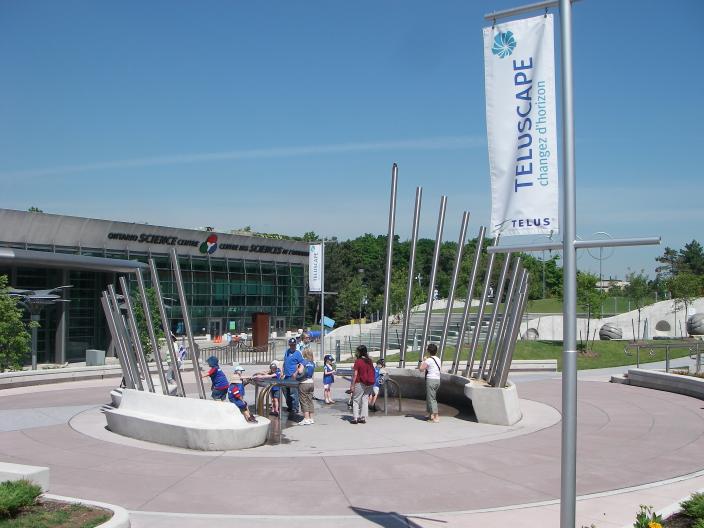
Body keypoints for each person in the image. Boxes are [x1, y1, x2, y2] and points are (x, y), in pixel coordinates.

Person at [349, 345, 375, 424]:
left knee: (356, 400)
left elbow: (355, 374)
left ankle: (355, 418)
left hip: (360, 383)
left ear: (359, 352)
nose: (356, 352)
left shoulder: (358, 361)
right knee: (365, 400)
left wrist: (352, 385)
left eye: (357, 351)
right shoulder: (369, 361)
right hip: (369, 383)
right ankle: (363, 418)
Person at [418, 343, 441, 423]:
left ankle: (436, 417)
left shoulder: (429, 360)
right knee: (430, 397)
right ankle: (430, 414)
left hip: (431, 380)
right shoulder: (438, 359)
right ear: (436, 351)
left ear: (428, 351)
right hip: (437, 380)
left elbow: (421, 369)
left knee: (431, 399)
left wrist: (424, 360)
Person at [283, 337, 304, 420]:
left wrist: (296, 372)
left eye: (293, 345)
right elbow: (285, 362)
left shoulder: (298, 353)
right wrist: (282, 372)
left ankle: (295, 408)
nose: (292, 346)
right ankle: (290, 406)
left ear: (295, 345)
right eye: (291, 345)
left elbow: (302, 363)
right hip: (286, 376)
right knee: (285, 392)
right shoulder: (287, 352)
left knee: (293, 393)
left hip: (293, 377)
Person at [297, 349, 316, 425]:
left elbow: (300, 371)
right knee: (310, 400)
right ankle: (311, 418)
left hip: (304, 383)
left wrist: (297, 368)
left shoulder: (304, 361)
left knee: (303, 401)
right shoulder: (312, 363)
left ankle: (306, 418)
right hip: (311, 382)